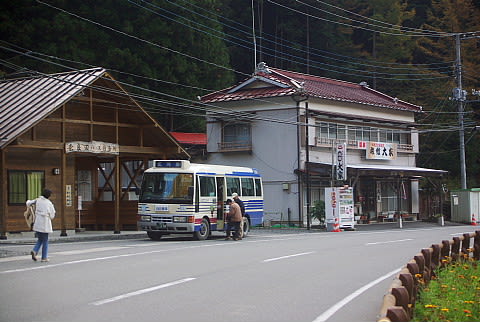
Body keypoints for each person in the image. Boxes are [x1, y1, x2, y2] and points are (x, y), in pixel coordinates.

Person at [27, 189, 56, 262]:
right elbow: (52, 215)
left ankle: (35, 251)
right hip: (45, 223)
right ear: (49, 196)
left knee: (40, 239)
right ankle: (44, 257)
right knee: (45, 240)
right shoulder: (49, 203)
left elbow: (28, 203)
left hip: (37, 222)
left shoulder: (38, 200)